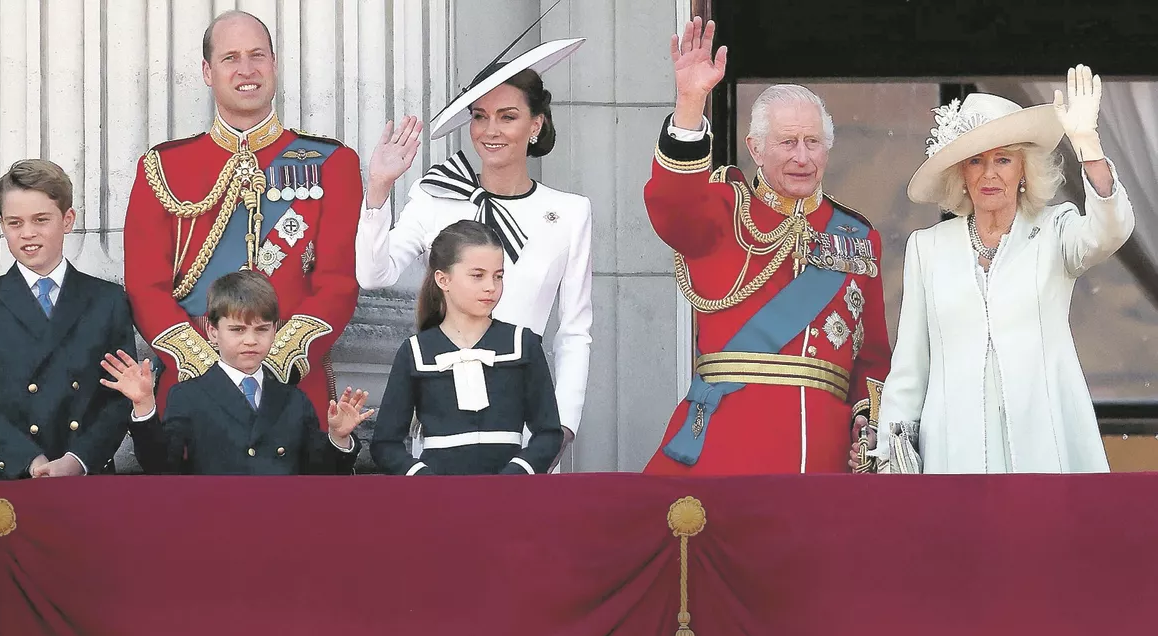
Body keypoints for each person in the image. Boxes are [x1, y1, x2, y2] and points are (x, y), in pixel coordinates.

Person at [641, 18, 891, 475]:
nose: (802, 156)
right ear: (755, 149)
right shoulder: (722, 211)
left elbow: (872, 356)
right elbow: (672, 203)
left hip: (825, 456)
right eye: (787, 142)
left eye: (813, 142)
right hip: (726, 449)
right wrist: (690, 103)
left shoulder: (857, 237)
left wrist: (867, 424)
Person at [856, 66, 1135, 474]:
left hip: (1045, 443)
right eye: (976, 161)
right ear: (961, 174)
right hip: (953, 451)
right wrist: (893, 459)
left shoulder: (1054, 231)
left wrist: (1088, 145)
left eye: (1003, 159)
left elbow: (1110, 231)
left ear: (1023, 170)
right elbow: (910, 367)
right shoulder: (928, 248)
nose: (989, 174)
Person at [355, 31, 591, 467]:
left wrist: (563, 428)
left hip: (529, 421)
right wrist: (378, 191)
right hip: (445, 420)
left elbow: (574, 330)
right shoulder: (436, 194)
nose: (490, 131)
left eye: (507, 116)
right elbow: (374, 275)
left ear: (535, 124)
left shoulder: (571, 212)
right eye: (480, 117)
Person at [123, 10, 362, 428]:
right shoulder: (162, 167)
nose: (246, 69)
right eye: (230, 58)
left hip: (291, 391)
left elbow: (339, 282)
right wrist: (206, 369)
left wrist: (277, 363)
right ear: (207, 71)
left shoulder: (332, 164)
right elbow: (145, 286)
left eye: (257, 55)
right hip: (192, 391)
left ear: (274, 63)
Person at [0, 159, 135, 479]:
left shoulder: (107, 300)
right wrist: (28, 459)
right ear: (2, 225)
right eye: (15, 223)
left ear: (67, 220)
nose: (28, 233)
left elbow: (119, 398)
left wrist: (79, 460)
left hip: (86, 477)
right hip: (9, 478)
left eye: (41, 219)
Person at [102, 270, 372, 475]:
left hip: (281, 528)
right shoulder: (188, 396)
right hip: (214, 527)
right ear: (212, 331)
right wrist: (144, 407)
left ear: (275, 330)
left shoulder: (294, 400)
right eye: (238, 330)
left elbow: (319, 475)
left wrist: (338, 438)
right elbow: (161, 466)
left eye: (262, 329)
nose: (251, 340)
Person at [370, 221, 562, 475]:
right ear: (443, 279)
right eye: (477, 275)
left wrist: (518, 473)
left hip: (511, 499)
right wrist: (424, 478)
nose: (490, 287)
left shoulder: (522, 343)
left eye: (498, 276)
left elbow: (549, 433)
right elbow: (385, 444)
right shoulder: (416, 352)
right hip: (440, 501)